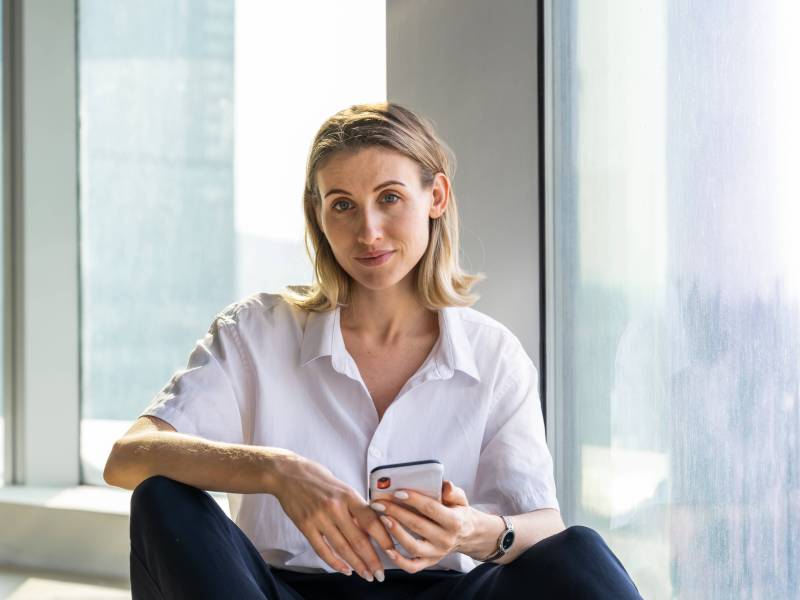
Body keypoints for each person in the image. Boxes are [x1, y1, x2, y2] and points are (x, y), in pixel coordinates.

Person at [104, 102, 642, 599]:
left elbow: (541, 525)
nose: (368, 231)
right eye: (342, 206)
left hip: (446, 591)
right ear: (319, 216)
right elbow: (128, 457)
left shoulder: (494, 354)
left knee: (579, 552)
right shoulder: (257, 331)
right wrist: (278, 472)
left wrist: (470, 531)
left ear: (436, 197)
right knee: (161, 500)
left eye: (389, 198)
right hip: (283, 591)